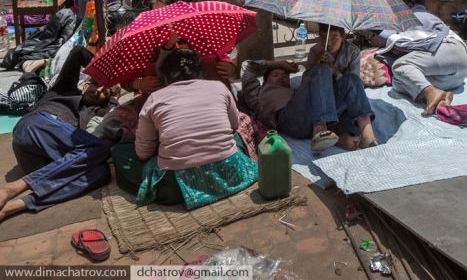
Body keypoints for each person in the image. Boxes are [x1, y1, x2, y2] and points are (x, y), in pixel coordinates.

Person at [111, 49, 258, 209]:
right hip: (230, 172)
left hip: (177, 187)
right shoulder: (218, 87)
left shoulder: (155, 98)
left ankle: (181, 192)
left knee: (120, 152)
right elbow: (234, 125)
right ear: (199, 72)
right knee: (237, 136)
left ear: (164, 77)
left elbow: (143, 153)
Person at [0, 48, 119, 222]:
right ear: (86, 84)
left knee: (101, 172)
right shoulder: (65, 89)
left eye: (104, 92)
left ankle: (16, 205)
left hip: (44, 164)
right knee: (98, 146)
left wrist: (114, 95)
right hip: (35, 126)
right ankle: (13, 188)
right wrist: (106, 74)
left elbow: (117, 113)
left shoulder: (95, 112)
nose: (99, 91)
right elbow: (78, 54)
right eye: (97, 84)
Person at [240, 37, 378, 152]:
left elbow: (319, 91)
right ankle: (320, 130)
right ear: (264, 82)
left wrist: (333, 71)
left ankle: (366, 137)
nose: (281, 77)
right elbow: (247, 66)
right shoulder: (257, 93)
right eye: (275, 75)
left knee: (351, 80)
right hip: (289, 121)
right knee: (321, 69)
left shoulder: (294, 91)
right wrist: (281, 63)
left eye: (285, 76)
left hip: (312, 118)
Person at [375, 0, 467, 115]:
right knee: (399, 82)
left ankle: (430, 91)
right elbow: (420, 5)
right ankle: (440, 96)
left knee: (400, 66)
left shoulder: (405, 19)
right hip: (456, 75)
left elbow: (396, 49)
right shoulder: (420, 10)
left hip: (448, 49)